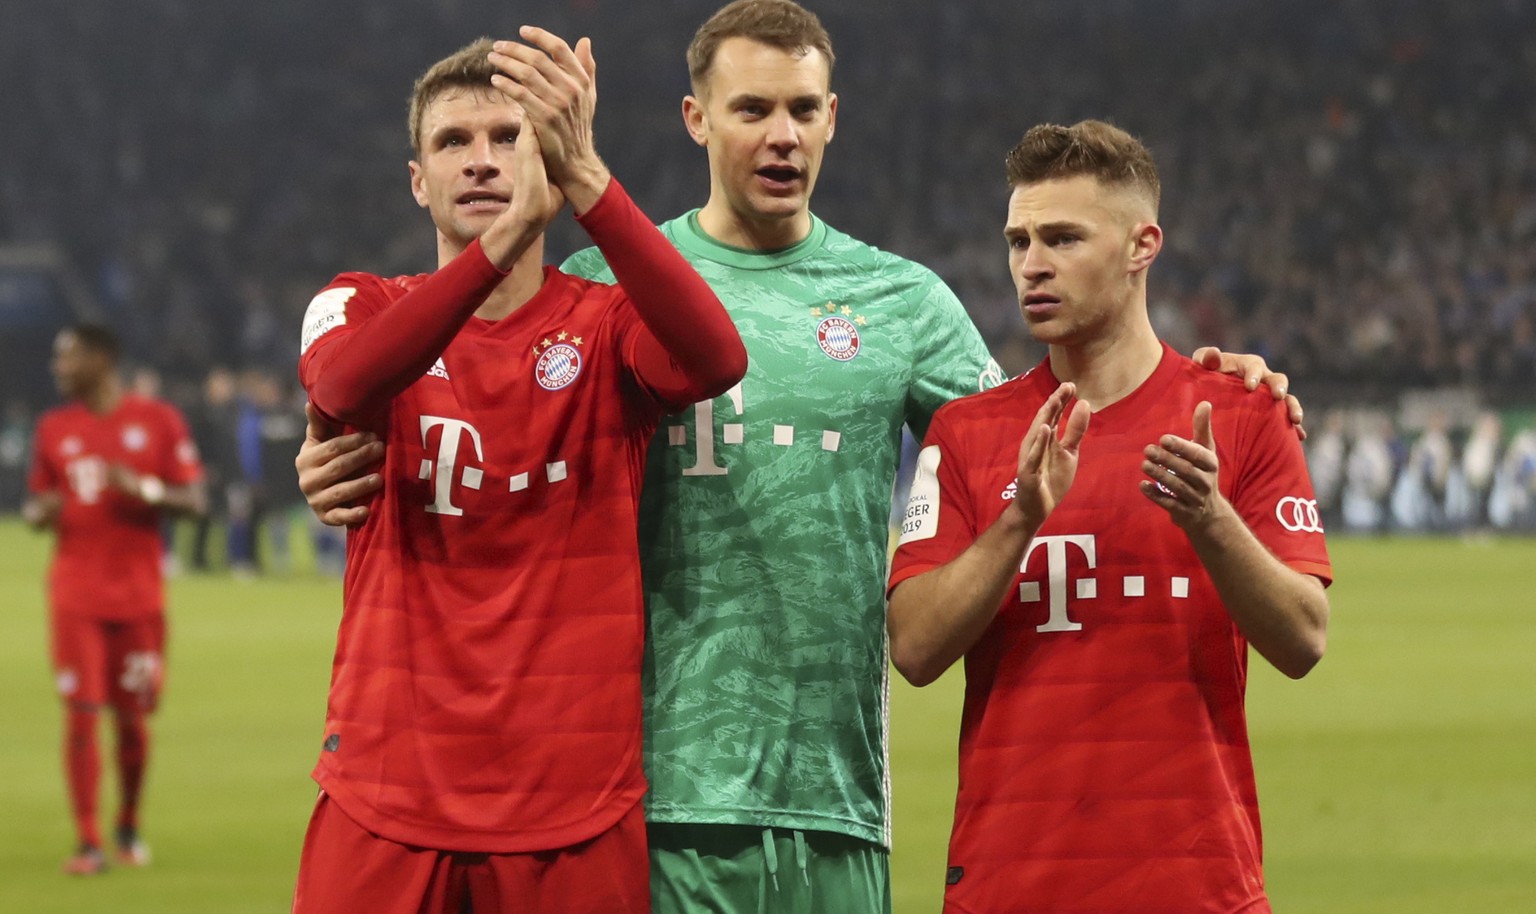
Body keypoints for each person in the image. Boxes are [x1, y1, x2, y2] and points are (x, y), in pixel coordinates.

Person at [296, 3, 1305, 912]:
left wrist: (1208, 379)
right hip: (650, 789)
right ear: (699, 120)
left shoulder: (903, 302)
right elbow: (483, 400)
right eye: (750, 109)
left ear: (833, 119)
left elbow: (1041, 428)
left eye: (801, 108)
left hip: (836, 792)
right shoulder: (607, 284)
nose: (779, 133)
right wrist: (334, 447)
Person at [287, 28, 745, 914]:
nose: (482, 160)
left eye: (509, 138)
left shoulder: (608, 326)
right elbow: (345, 386)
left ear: (548, 161)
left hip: (570, 805)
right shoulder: (360, 302)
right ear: (418, 180)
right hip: (386, 791)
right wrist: (499, 249)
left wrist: (594, 185)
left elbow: (717, 358)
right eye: (453, 142)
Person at [886, 120, 1332, 913]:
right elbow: (914, 648)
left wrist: (1209, 518)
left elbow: (1303, 639)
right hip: (1010, 884)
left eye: (1062, 238)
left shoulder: (1242, 416)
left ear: (1141, 246)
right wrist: (1022, 515)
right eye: (1018, 241)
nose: (1032, 265)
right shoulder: (969, 433)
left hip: (1194, 883)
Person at [23, 323, 207, 875]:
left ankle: (127, 824)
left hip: (137, 599)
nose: (58, 368)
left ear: (101, 359)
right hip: (75, 595)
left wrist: (145, 490)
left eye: (68, 357)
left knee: (131, 720)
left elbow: (195, 500)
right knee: (80, 715)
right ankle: (88, 843)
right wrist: (41, 512)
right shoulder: (53, 428)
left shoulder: (157, 420)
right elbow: (37, 501)